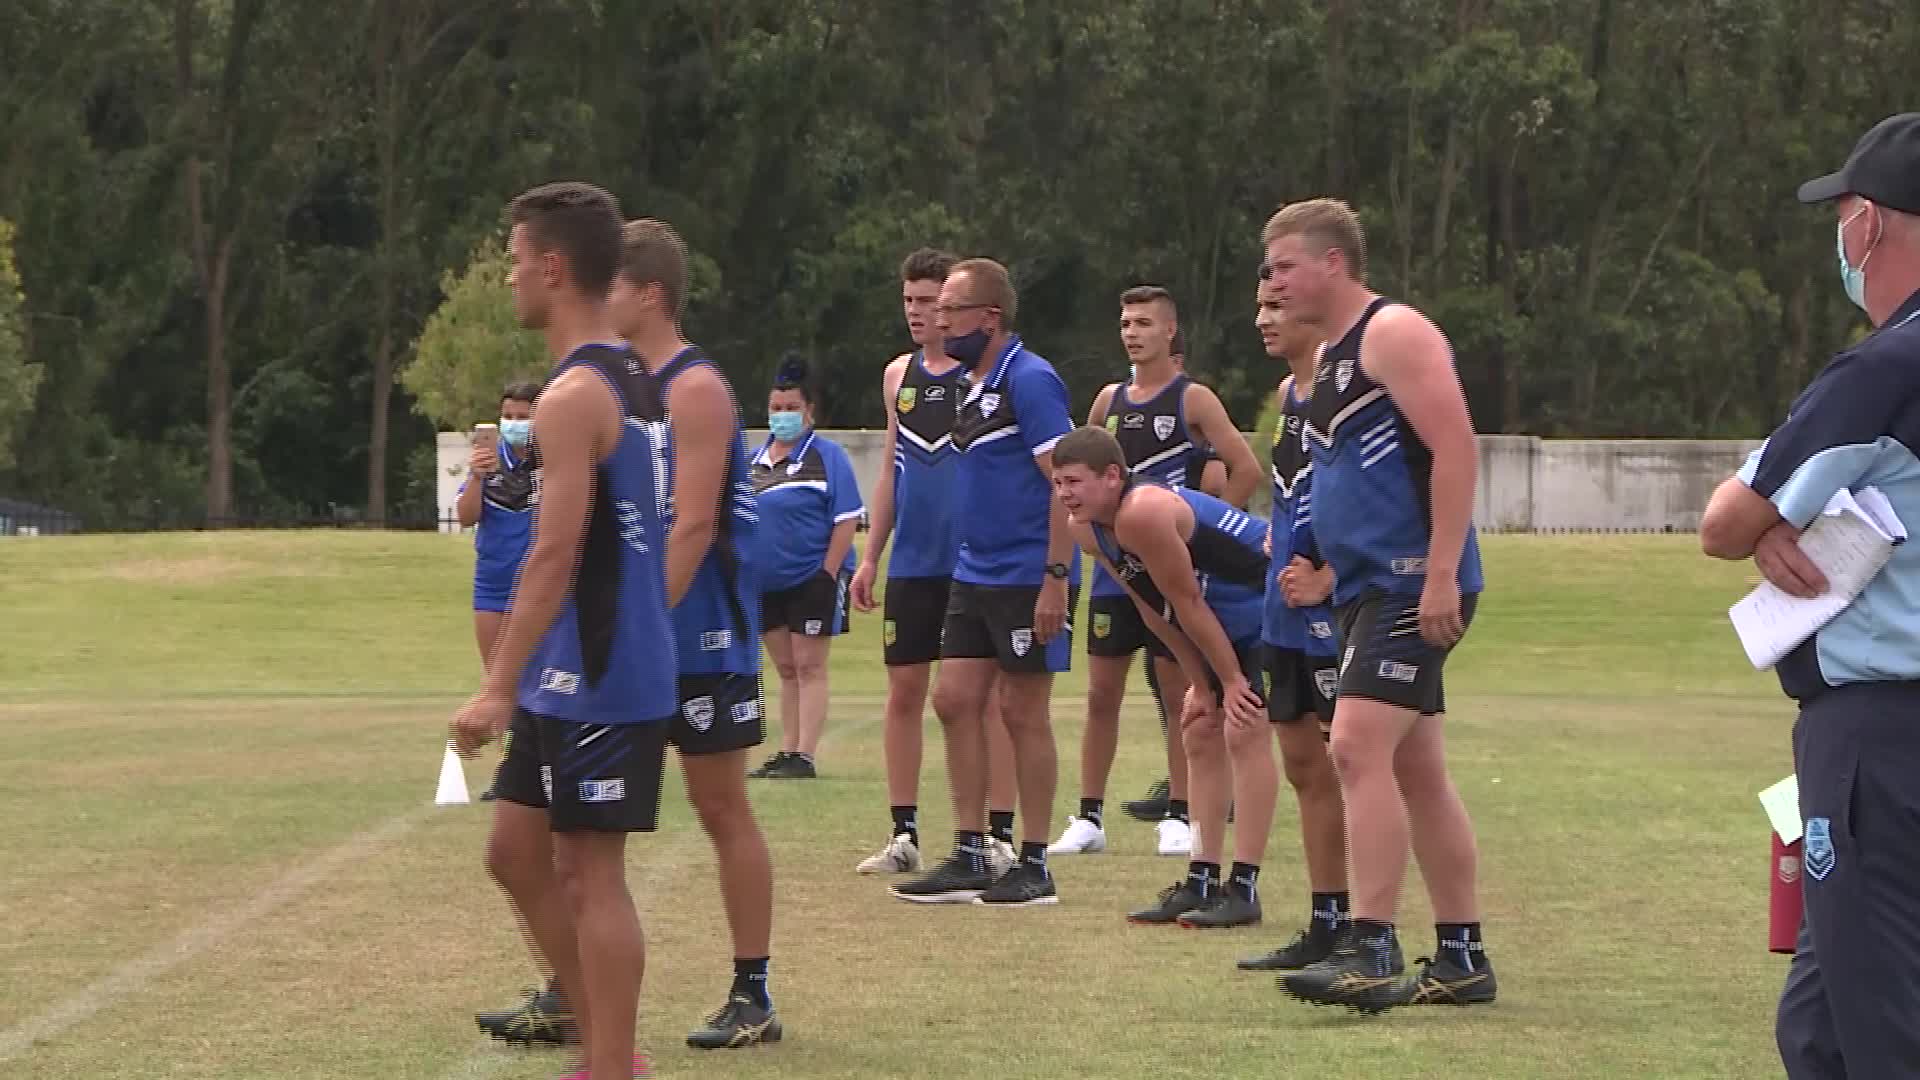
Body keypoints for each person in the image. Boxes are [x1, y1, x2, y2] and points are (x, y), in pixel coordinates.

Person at [1701, 112, 1920, 1079]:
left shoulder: (1886, 366)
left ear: (1870, 223)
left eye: (1843, 215)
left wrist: (1772, 525)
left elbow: (1725, 523)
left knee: (1880, 1033)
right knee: (1821, 1025)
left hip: (1877, 737)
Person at [451, 180, 672, 1080]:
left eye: (512, 263)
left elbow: (555, 550)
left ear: (551, 266)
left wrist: (496, 682)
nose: (509, 281)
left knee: (590, 870)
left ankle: (612, 1063)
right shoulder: (618, 371)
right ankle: (600, 1034)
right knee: (515, 853)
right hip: (569, 664)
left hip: (606, 663)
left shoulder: (577, 392)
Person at [1260, 198, 1494, 1014]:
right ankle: (1462, 956)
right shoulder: (1326, 364)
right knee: (1415, 769)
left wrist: (1439, 574)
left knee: (1354, 745)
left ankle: (1370, 945)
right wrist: (1320, 566)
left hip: (1410, 584)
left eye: (1285, 266)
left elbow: (1456, 444)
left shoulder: (1394, 333)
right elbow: (1346, 481)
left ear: (1333, 263)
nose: (1274, 283)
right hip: (1365, 589)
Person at [608, 217, 781, 1049]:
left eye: (609, 283)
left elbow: (694, 524)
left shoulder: (694, 387)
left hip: (701, 633)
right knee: (582, 818)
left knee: (720, 806)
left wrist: (637, 622)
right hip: (632, 634)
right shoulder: (610, 385)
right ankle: (574, 986)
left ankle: (754, 993)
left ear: (648, 293)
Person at [890, 257, 1079, 907]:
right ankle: (970, 851)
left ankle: (1033, 860)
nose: (940, 321)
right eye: (935, 310)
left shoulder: (1030, 380)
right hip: (975, 568)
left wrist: (1056, 577)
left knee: (1023, 710)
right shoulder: (973, 385)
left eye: (951, 310)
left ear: (988, 317)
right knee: (952, 699)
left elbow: (1066, 483)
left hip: (1028, 572)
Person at [1049, 286, 1258, 861]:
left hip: (1170, 561)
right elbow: (1079, 463)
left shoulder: (1193, 400)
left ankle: (1180, 812)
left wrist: (1210, 535)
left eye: (1144, 322)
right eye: (1125, 322)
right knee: (1100, 693)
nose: (1132, 332)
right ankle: (1088, 816)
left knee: (1176, 690)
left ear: (1170, 331)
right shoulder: (1108, 401)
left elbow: (1245, 466)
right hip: (1119, 574)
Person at [1049, 426, 1274, 929]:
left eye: (1074, 482)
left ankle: (1244, 886)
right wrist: (1200, 683)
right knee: (1198, 731)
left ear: (1112, 477)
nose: (1064, 494)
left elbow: (1187, 601)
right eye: (1058, 483)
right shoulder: (1089, 526)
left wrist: (1232, 680)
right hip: (1219, 618)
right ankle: (1201, 877)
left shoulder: (1142, 512)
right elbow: (1154, 610)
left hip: (1267, 610)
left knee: (1245, 729)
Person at [849, 247, 1020, 879]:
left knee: (985, 699)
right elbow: (893, 470)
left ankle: (995, 832)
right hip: (914, 562)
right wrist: (872, 557)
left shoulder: (988, 377)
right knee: (905, 692)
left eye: (931, 303)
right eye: (911, 302)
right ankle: (903, 833)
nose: (919, 313)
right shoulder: (899, 376)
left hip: (974, 563)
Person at [1237, 282, 1384, 973]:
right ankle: (1325, 920)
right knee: (1300, 763)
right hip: (1281, 609)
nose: (1263, 319)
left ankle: (1368, 926)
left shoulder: (1349, 388)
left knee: (1347, 759)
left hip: (1335, 608)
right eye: (1259, 308)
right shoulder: (1288, 399)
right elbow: (1295, 491)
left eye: (1275, 306)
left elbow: (1378, 496)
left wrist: (1329, 577)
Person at [747, 353, 863, 779]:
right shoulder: (754, 462)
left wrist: (827, 573)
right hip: (766, 583)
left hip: (811, 578)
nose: (783, 416)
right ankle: (787, 749)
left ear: (809, 412)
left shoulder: (827, 457)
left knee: (810, 665)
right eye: (776, 409)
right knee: (786, 668)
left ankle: (806, 754)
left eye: (791, 408)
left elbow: (847, 517)